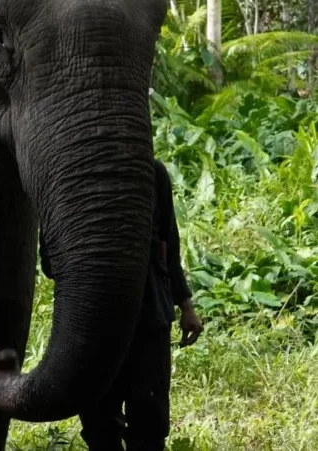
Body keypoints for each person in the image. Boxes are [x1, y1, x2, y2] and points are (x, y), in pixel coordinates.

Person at [78, 159, 204, 451]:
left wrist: (186, 306)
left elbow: (169, 245)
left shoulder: (154, 173)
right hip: (95, 314)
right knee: (99, 416)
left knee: (149, 414)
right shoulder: (77, 169)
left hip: (149, 312)